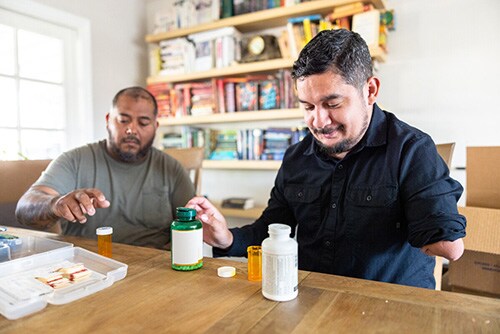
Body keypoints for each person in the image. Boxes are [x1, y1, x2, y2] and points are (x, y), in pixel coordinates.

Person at [187, 29, 466, 289]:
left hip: (388, 308)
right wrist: (226, 237)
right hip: (310, 301)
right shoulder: (296, 157)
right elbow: (270, 229)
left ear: (370, 91)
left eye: (333, 104)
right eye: (308, 107)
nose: (319, 121)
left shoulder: (412, 150)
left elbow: (450, 247)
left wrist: (437, 227)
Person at [16, 87, 195, 249]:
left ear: (155, 127)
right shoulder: (74, 160)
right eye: (123, 120)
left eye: (143, 122)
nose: (131, 129)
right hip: (86, 268)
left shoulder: (172, 169)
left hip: (153, 269)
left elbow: (194, 228)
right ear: (108, 120)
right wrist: (56, 204)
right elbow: (25, 207)